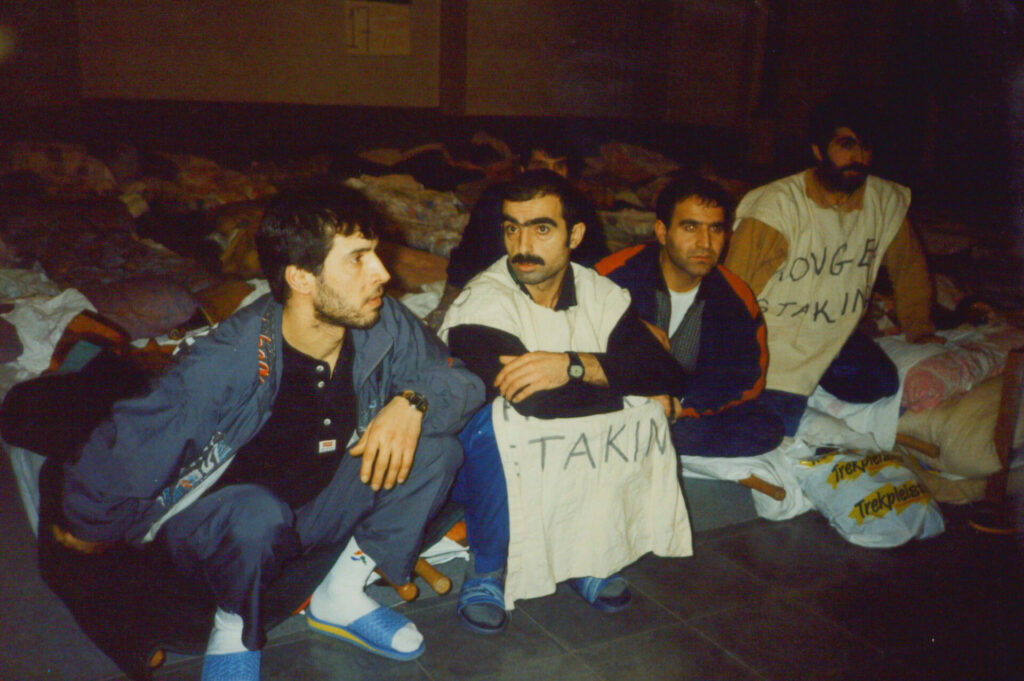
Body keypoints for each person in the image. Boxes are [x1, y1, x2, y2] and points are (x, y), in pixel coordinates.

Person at [58, 186, 484, 680]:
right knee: (257, 513)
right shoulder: (228, 359)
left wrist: (412, 402)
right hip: (220, 527)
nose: (383, 273)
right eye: (358, 258)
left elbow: (459, 379)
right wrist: (83, 527)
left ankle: (341, 594)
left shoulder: (382, 320)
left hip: (316, 505)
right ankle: (235, 624)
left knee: (436, 450)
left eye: (375, 253)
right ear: (301, 277)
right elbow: (132, 442)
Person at [438, 169, 691, 635]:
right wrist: (626, 384)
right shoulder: (482, 302)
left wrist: (573, 365)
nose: (522, 246)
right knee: (503, 424)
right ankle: (488, 567)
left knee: (639, 413)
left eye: (541, 228)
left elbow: (669, 373)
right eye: (512, 229)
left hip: (564, 437)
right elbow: (535, 404)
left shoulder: (597, 291)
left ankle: (583, 554)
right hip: (480, 461)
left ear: (573, 235)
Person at [724, 98, 943, 435]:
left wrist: (919, 327)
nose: (858, 157)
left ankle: (819, 376)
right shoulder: (777, 206)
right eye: (846, 145)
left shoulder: (884, 203)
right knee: (772, 433)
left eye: (865, 147)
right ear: (818, 150)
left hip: (834, 331)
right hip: (776, 337)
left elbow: (908, 268)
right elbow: (732, 286)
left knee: (881, 385)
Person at [597, 175, 785, 458]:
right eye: (690, 227)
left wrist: (681, 408)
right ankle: (640, 437)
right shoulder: (613, 276)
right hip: (617, 402)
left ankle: (648, 440)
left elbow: (747, 379)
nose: (705, 243)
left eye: (715, 229)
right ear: (662, 232)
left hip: (682, 413)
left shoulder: (734, 296)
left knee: (765, 427)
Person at [427, 139, 608, 328]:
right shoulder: (495, 203)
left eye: (559, 166)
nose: (551, 173)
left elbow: (595, 267)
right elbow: (466, 259)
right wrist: (445, 308)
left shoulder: (580, 208)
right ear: (523, 169)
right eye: (540, 165)